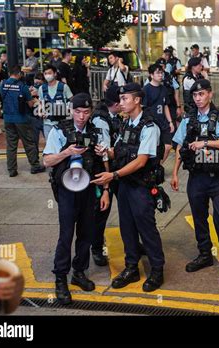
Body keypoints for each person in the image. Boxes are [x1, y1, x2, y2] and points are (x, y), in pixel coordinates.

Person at [90, 83, 166, 293]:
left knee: (146, 229)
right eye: (120, 99)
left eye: (124, 99)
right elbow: (120, 152)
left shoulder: (150, 127)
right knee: (127, 228)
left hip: (141, 186)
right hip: (125, 186)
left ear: (137, 100)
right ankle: (132, 267)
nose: (120, 103)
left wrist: (113, 174)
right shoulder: (126, 124)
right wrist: (106, 151)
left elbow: (141, 161)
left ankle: (157, 270)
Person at [171, 79, 219, 274]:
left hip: (218, 178)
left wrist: (205, 144)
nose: (198, 98)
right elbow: (180, 145)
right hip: (196, 177)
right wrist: (175, 173)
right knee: (199, 217)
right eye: (195, 95)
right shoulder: (188, 119)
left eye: (202, 94)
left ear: (210, 94)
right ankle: (204, 254)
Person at [43, 93, 110, 304]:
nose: (81, 117)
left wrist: (106, 189)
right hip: (67, 190)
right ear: (71, 110)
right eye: (78, 112)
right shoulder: (59, 131)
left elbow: (105, 161)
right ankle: (60, 278)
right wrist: (67, 152)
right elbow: (47, 161)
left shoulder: (96, 131)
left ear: (91, 113)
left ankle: (79, 272)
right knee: (66, 235)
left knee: (87, 233)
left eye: (86, 112)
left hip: (89, 188)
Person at [91, 86, 125, 266]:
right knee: (102, 211)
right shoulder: (101, 120)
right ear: (117, 103)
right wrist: (107, 180)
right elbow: (103, 151)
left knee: (128, 209)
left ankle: (133, 243)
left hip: (118, 170)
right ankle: (96, 248)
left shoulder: (115, 118)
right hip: (105, 172)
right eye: (123, 99)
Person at [0, 65, 46, 177]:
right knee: (29, 143)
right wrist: (31, 98)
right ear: (19, 74)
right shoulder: (22, 86)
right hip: (21, 119)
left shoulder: (2, 85)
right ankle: (35, 166)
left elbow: (3, 98)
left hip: (7, 118)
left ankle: (11, 170)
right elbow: (30, 104)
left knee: (11, 145)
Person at [143, 63, 175, 163]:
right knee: (154, 147)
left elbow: (165, 105)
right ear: (151, 75)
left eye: (161, 73)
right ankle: (153, 167)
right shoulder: (146, 89)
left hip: (163, 122)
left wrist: (170, 122)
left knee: (168, 146)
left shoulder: (164, 89)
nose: (160, 75)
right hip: (152, 122)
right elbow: (143, 107)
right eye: (157, 73)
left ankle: (159, 165)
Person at [38, 64, 73, 139]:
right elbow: (41, 103)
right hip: (47, 123)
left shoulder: (63, 87)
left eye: (49, 73)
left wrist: (68, 111)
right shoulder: (42, 88)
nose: (47, 75)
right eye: (45, 73)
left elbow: (72, 101)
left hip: (62, 123)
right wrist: (40, 112)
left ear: (55, 74)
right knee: (49, 146)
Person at [29, 73, 45, 154]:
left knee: (49, 139)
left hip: (45, 118)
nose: (37, 82)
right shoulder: (31, 90)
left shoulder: (46, 89)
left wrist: (38, 95)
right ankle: (35, 162)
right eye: (36, 79)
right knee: (33, 142)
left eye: (39, 80)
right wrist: (29, 94)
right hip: (34, 118)